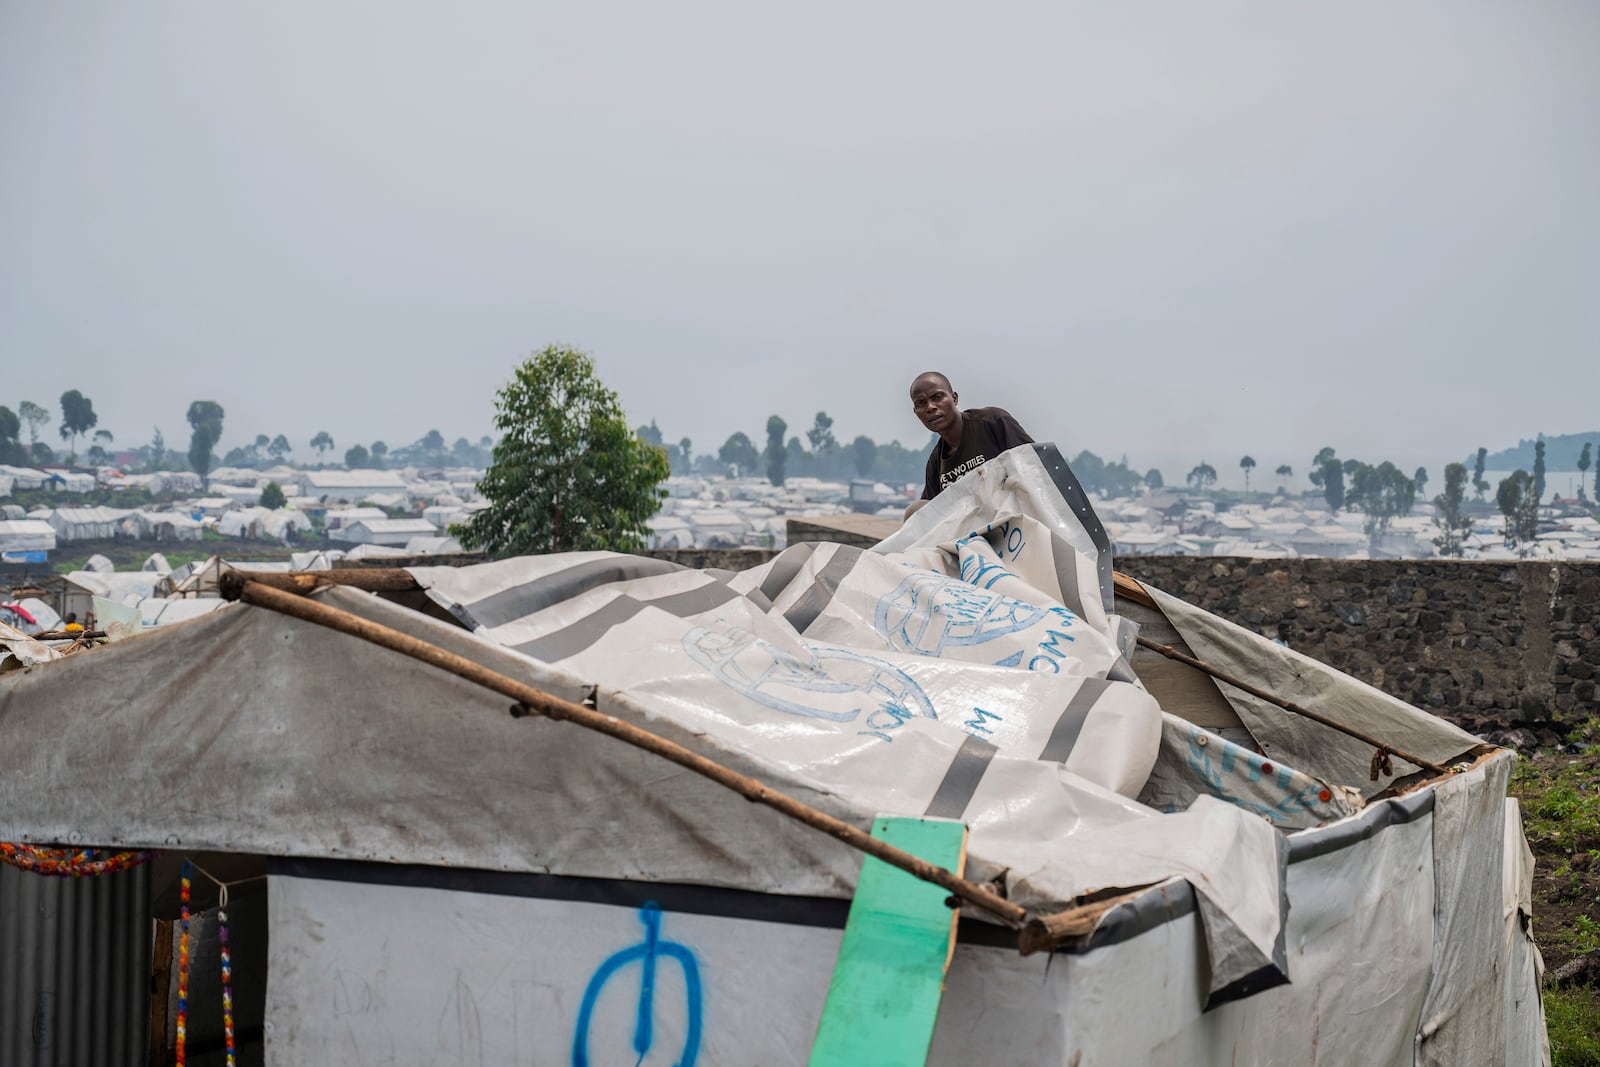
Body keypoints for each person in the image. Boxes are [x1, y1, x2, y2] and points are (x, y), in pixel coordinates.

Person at [910, 371, 1035, 503]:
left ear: (954, 398)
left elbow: (1034, 466)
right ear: (915, 412)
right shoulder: (936, 462)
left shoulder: (992, 422)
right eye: (921, 403)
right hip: (973, 523)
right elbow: (929, 511)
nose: (930, 407)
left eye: (937, 397)